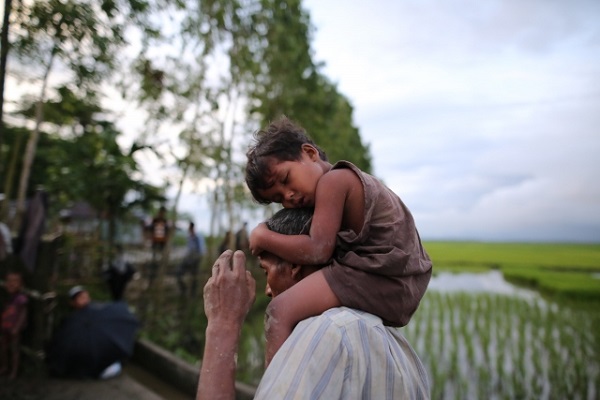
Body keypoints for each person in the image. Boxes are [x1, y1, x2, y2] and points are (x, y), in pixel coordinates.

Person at [245, 116, 433, 363]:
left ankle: (278, 389)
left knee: (280, 311)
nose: (288, 196)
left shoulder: (334, 181)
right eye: (279, 198)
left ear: (310, 153)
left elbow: (317, 250)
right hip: (397, 281)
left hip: (380, 278)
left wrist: (263, 236)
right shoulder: (344, 182)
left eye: (285, 179)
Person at [197, 208, 430, 399]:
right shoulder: (402, 350)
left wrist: (222, 325)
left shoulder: (325, 335)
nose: (267, 290)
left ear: (294, 265)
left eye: (266, 271)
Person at [0, 271, 28, 380]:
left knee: (14, 349)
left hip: (14, 329)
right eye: (9, 281)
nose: (11, 284)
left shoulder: (21, 299)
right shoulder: (5, 298)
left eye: (15, 281)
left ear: (21, 284)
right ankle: (4, 367)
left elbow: (23, 314)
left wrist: (17, 327)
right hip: (4, 327)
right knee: (3, 348)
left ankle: (14, 371)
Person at [176, 222, 207, 296]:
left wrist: (197, 259)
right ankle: (183, 290)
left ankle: (193, 293)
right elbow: (188, 250)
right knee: (179, 273)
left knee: (194, 277)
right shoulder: (189, 237)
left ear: (192, 228)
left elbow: (202, 250)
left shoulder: (198, 237)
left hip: (195, 259)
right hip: (188, 259)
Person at [147, 206, 170, 283]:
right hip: (155, 243)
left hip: (162, 245)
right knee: (154, 261)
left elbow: (167, 233)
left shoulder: (165, 221)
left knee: (161, 262)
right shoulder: (155, 220)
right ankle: (152, 278)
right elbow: (150, 230)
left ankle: (159, 278)